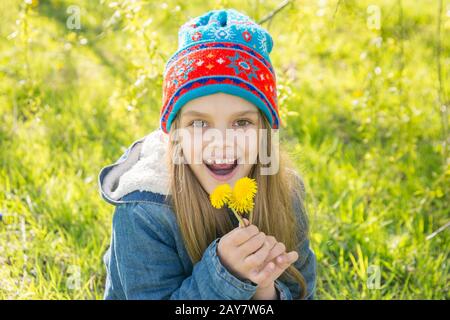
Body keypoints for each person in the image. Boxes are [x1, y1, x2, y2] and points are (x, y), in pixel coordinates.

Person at [98, 8, 316, 300]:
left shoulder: (285, 193)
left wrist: (266, 292)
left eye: (241, 122)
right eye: (199, 123)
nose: (221, 142)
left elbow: (303, 289)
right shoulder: (143, 212)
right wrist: (225, 274)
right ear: (175, 135)